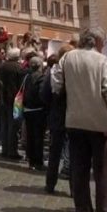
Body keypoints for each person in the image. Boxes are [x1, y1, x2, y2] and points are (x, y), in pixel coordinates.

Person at [51, 28, 107, 212]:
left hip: (74, 120)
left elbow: (56, 83)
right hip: (98, 122)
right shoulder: (101, 60)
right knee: (102, 172)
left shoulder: (67, 57)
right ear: (96, 41)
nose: (103, 45)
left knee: (79, 170)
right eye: (102, 41)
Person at [43, 43, 73, 195]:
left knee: (55, 152)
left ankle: (50, 184)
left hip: (57, 115)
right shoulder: (76, 72)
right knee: (74, 152)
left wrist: (52, 106)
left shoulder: (53, 71)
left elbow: (44, 94)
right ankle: (75, 189)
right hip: (73, 115)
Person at [0, 47, 25, 160]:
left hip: (2, 98)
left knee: (4, 125)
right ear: (17, 56)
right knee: (13, 126)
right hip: (15, 100)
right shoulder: (19, 68)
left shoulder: (1, 66)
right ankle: (12, 150)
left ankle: (4, 149)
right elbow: (21, 85)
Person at [23, 55, 48, 171]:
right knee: (38, 137)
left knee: (30, 136)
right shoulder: (42, 78)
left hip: (27, 109)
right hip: (38, 110)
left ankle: (31, 160)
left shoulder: (26, 77)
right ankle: (38, 161)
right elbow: (42, 94)